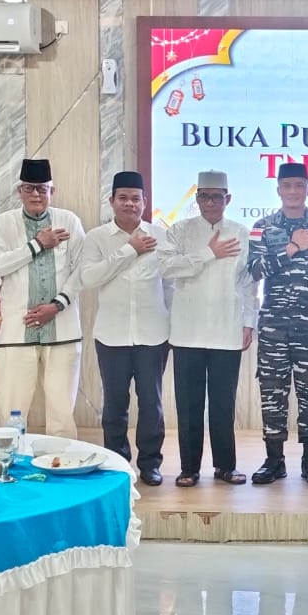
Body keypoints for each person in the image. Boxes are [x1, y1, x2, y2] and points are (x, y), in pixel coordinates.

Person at [247, 162, 308, 486]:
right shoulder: (263, 227)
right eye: (286, 185)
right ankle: (274, 460)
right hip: (274, 326)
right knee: (272, 393)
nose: (292, 191)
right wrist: (292, 248)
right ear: (278, 189)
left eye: (299, 185)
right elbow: (255, 271)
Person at [158, 170, 257, 486]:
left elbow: (248, 283)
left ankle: (226, 466)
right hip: (187, 330)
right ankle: (189, 468)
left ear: (228, 199)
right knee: (188, 405)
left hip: (227, 328)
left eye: (216, 197)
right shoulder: (179, 231)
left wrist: (249, 322)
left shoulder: (241, 232)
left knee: (223, 404)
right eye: (204, 196)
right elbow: (166, 267)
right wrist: (208, 254)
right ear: (197, 198)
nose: (210, 203)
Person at [80, 171, 172, 486]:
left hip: (153, 333)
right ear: (112, 201)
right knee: (114, 404)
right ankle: (117, 463)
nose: (129, 204)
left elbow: (170, 284)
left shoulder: (161, 236)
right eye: (123, 198)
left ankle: (150, 464)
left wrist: (172, 324)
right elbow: (89, 278)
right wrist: (129, 249)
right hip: (112, 335)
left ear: (144, 202)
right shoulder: (97, 238)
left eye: (135, 198)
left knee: (151, 403)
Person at [0, 159, 85, 439]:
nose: (36, 194)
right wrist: (37, 244)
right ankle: (9, 463)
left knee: (62, 416)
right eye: (29, 188)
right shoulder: (5, 223)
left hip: (62, 332)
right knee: (10, 416)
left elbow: (82, 270)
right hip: (16, 334)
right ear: (20, 191)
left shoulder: (69, 221)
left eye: (42, 189)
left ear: (52, 191)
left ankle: (61, 465)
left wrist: (57, 305)